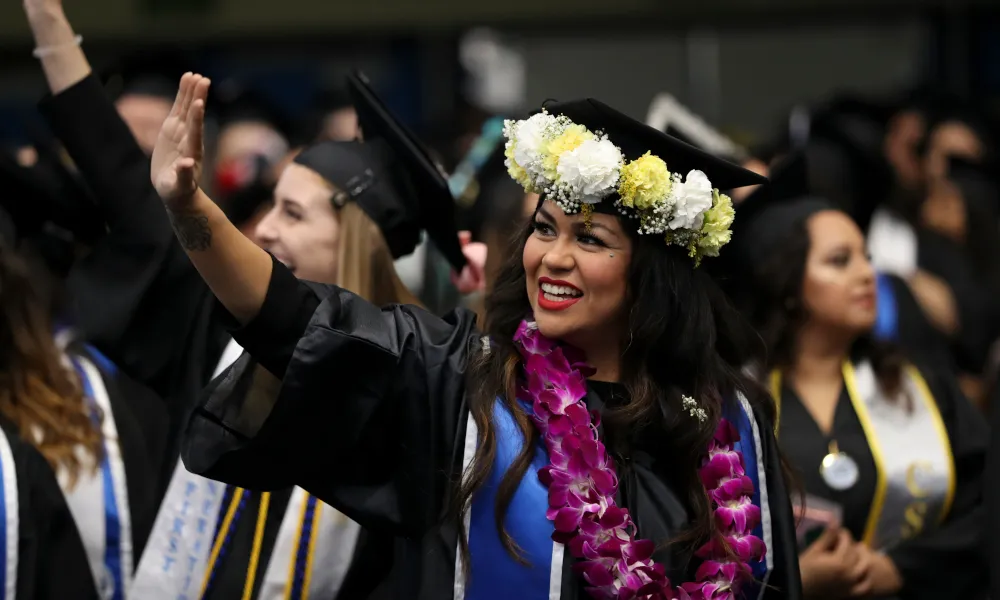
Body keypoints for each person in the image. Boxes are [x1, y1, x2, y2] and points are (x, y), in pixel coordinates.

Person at [154, 72, 802, 599]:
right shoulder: (466, 386)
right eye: (545, 229)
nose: (552, 257)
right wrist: (191, 211)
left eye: (590, 239)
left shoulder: (727, 423)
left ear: (651, 277)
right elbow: (299, 324)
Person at [724, 155, 989, 599]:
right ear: (787, 285)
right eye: (840, 261)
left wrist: (900, 569)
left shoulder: (920, 388)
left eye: (866, 256)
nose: (868, 274)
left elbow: (983, 508)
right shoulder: (735, 402)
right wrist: (793, 580)